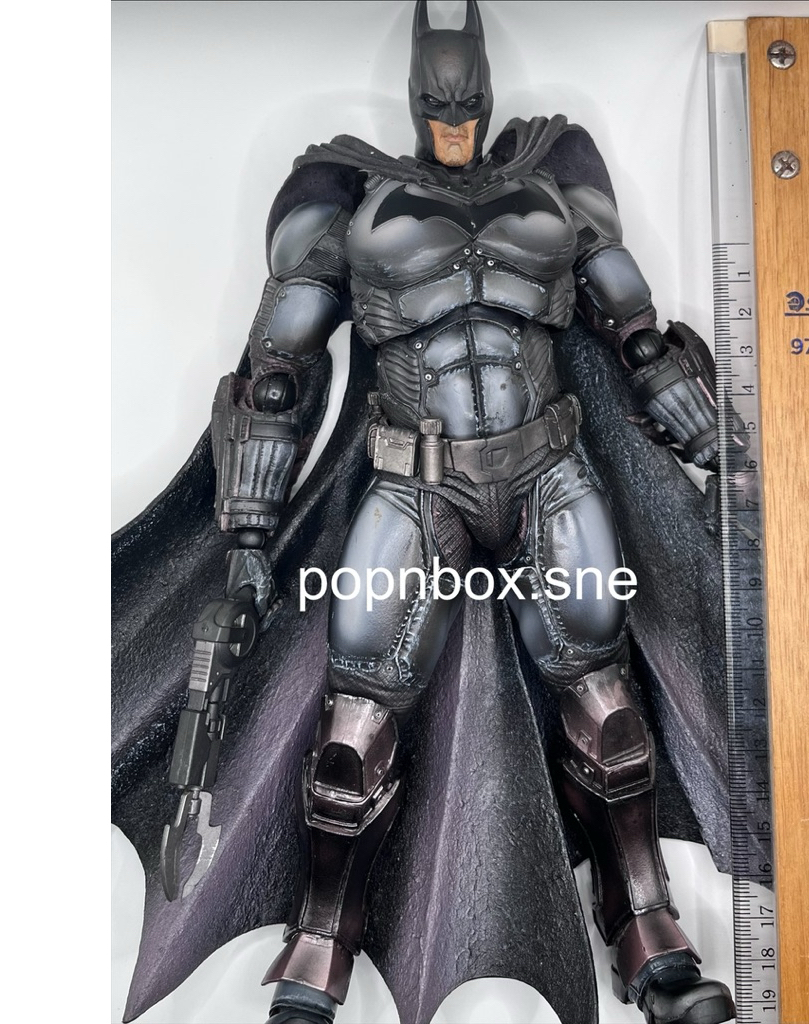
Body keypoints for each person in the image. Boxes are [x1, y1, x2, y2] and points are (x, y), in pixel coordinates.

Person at [152, 4, 736, 1023]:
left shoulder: (552, 180)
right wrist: (247, 535)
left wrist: (718, 450)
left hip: (549, 469)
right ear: (419, 96)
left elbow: (636, 330)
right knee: (354, 729)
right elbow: (278, 372)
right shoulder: (347, 193)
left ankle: (649, 937)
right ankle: (319, 949)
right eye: (441, 105)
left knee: (608, 710)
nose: (457, 122)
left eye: (470, 106)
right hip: (415, 484)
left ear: (488, 94)